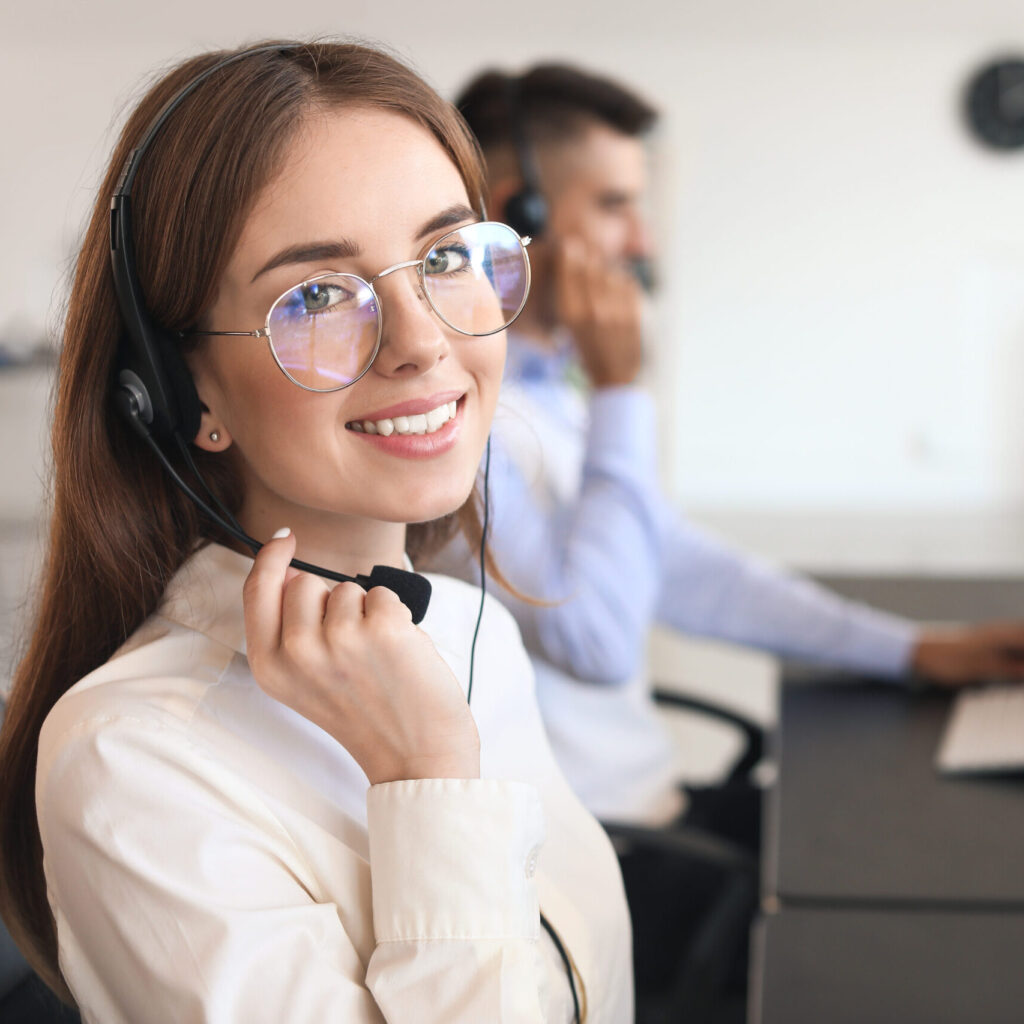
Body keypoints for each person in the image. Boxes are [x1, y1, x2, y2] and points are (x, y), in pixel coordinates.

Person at [0, 43, 633, 1024]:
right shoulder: (131, 761)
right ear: (186, 390)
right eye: (318, 295)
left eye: (446, 258)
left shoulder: (472, 629)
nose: (423, 341)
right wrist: (426, 777)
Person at [430, 62, 1024, 1006]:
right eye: (618, 204)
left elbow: (674, 562)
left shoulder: (548, 388)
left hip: (645, 816)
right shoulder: (463, 423)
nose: (644, 238)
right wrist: (626, 389)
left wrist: (915, 650)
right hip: (594, 861)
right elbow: (597, 636)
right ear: (522, 209)